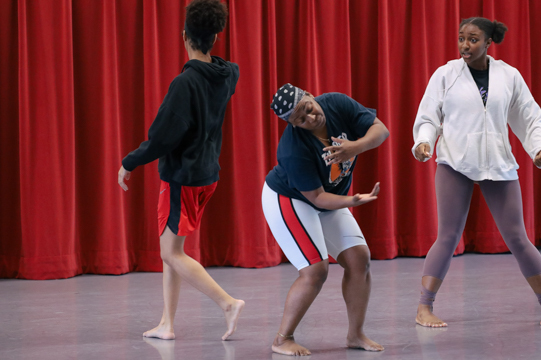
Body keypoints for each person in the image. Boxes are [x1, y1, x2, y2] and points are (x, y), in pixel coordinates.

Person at [412, 17, 541, 328]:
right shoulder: (445, 75)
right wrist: (424, 141)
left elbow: (529, 116)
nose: (465, 45)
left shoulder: (509, 76)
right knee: (448, 236)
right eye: (461, 39)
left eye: (473, 39)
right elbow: (428, 115)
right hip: (454, 162)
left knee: (518, 237)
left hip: (498, 163)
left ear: (488, 42)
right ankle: (424, 308)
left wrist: (540, 148)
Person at [117, 0, 244, 341]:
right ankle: (167, 324)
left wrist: (129, 162)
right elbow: (224, 73)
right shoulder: (228, 72)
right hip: (207, 176)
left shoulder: (184, 83)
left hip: (182, 179)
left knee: (169, 252)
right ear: (216, 36)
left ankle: (228, 303)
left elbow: (160, 138)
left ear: (184, 35)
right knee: (172, 250)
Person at [262, 84, 389, 356]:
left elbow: (381, 130)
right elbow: (317, 198)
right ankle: (282, 339)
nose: (310, 118)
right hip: (290, 198)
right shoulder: (292, 148)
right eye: (300, 119)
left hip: (332, 196)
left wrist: (355, 147)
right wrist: (352, 201)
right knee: (315, 271)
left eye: (308, 108)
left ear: (309, 95)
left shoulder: (335, 103)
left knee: (359, 260)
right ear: (292, 124)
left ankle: (356, 335)